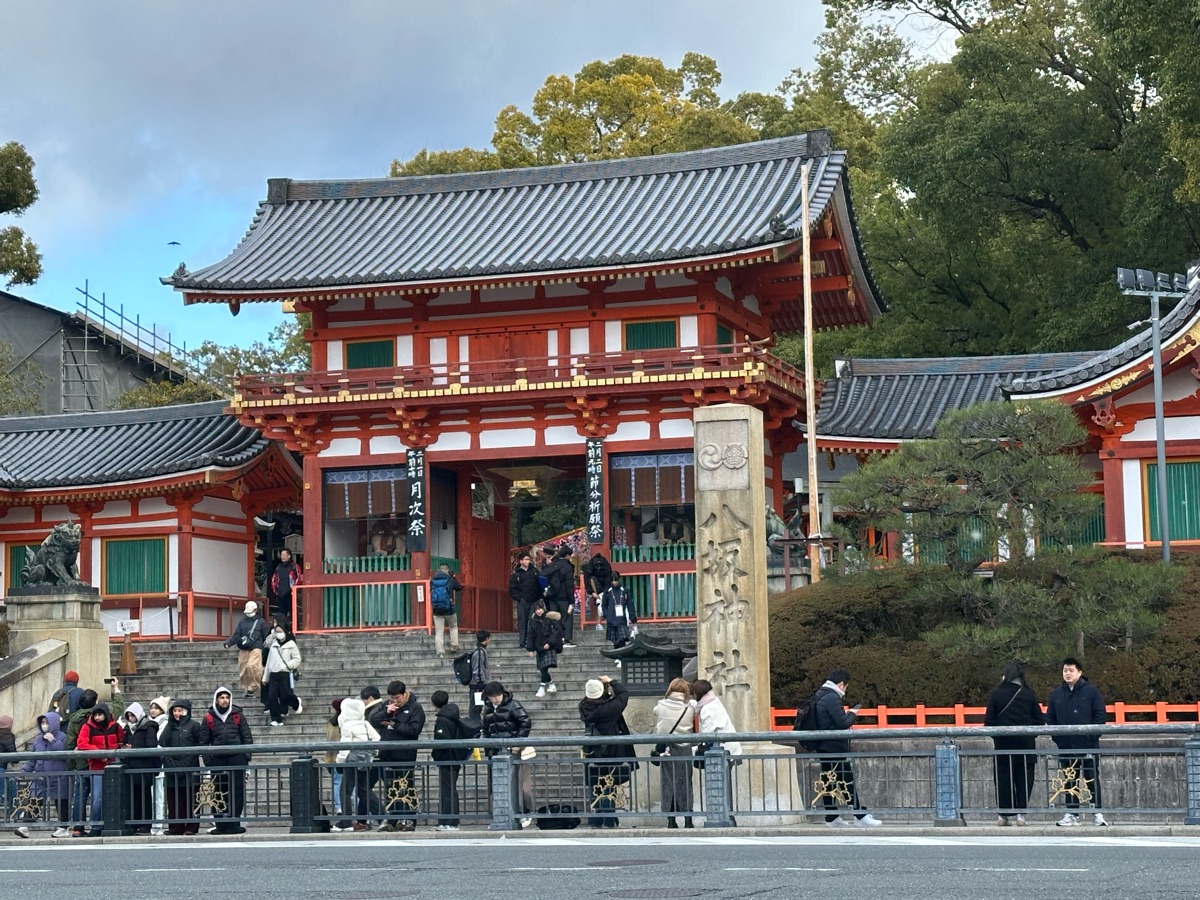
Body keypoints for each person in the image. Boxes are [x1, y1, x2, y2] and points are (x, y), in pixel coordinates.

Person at [808, 668, 880, 828]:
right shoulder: (832, 698)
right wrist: (852, 713)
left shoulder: (820, 694)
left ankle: (831, 817)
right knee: (847, 780)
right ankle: (860, 816)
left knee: (829, 782)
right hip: (834, 746)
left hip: (823, 746)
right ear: (841, 684)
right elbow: (843, 723)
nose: (845, 691)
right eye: (845, 687)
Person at [1047, 656, 1108, 827]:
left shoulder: (1091, 691)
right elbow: (1051, 719)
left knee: (1091, 778)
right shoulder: (1056, 694)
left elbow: (1100, 716)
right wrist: (1059, 739)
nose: (1067, 673)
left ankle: (1097, 812)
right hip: (1066, 745)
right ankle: (1072, 812)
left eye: (1071, 670)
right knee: (1069, 780)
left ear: (1079, 672)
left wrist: (1091, 736)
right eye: (1065, 670)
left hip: (1087, 743)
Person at [984, 661, 1045, 826]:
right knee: (1024, 780)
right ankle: (1021, 814)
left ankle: (1003, 815)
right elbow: (1040, 720)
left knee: (1003, 779)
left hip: (1003, 746)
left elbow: (989, 721)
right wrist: (1031, 734)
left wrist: (998, 736)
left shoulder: (996, 694)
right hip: (1025, 745)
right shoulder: (1028, 694)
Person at [579, 676, 637, 828]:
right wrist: (611, 681)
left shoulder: (584, 706)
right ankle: (609, 819)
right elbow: (623, 694)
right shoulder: (608, 709)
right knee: (608, 784)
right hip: (612, 750)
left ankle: (596, 819)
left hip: (593, 751)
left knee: (596, 784)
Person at [369, 679, 425, 832]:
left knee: (407, 788)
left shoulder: (415, 707)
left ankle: (409, 819)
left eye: (397, 698)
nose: (394, 701)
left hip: (405, 755)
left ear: (404, 694)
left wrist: (396, 725)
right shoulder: (387, 705)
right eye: (392, 698)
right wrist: (386, 712)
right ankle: (393, 819)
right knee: (391, 788)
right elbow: (373, 720)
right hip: (387, 753)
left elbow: (414, 729)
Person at [480, 680, 533, 828]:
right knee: (496, 785)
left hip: (514, 751)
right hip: (495, 751)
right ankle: (500, 815)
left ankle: (524, 812)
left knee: (520, 783)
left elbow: (525, 722)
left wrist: (517, 743)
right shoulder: (489, 708)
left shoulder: (513, 705)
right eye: (493, 697)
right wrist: (488, 748)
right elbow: (486, 728)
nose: (496, 699)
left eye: (498, 696)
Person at [202, 686, 253, 834]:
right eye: (221, 698)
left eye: (227, 697)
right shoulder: (209, 718)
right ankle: (220, 824)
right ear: (216, 700)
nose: (224, 700)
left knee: (236, 792)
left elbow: (246, 736)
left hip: (237, 760)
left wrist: (246, 757)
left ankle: (234, 823)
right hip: (218, 761)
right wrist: (208, 761)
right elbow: (204, 741)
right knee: (218, 792)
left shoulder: (238, 715)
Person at [431, 689, 481, 831]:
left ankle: (449, 821)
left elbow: (441, 741)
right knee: (449, 788)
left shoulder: (442, 719)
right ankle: (447, 820)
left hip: (447, 758)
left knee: (448, 790)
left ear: (433, 703)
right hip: (455, 757)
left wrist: (436, 755)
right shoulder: (452, 716)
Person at [333, 696, 382, 832]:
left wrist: (340, 762)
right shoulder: (365, 723)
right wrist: (371, 752)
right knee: (364, 790)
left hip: (352, 760)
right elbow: (377, 738)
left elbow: (345, 747)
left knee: (345, 790)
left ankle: (346, 821)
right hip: (365, 760)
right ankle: (383, 817)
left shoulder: (347, 725)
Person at [159, 699, 207, 835]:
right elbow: (162, 743)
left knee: (191, 799)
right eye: (174, 711)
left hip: (190, 769)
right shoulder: (169, 726)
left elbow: (200, 745)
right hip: (172, 769)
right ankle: (175, 827)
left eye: (180, 710)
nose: (177, 713)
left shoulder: (194, 725)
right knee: (174, 800)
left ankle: (191, 826)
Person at [75, 703, 123, 836]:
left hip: (113, 767)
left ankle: (111, 824)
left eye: (100, 715)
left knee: (113, 797)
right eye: (95, 715)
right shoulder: (87, 727)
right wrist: (100, 753)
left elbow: (121, 740)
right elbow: (82, 744)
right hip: (97, 767)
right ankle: (96, 826)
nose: (97, 718)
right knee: (97, 798)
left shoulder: (115, 726)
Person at [19, 711, 69, 838]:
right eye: (42, 722)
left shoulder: (62, 736)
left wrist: (54, 741)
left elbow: (65, 752)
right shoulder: (38, 740)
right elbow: (33, 759)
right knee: (35, 799)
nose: (44, 725)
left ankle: (63, 827)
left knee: (60, 801)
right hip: (41, 775)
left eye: (46, 722)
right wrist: (25, 771)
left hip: (58, 776)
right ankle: (25, 825)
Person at [653, 678, 695, 829]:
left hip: (667, 749)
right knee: (685, 783)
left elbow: (656, 712)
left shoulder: (660, 705)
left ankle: (671, 820)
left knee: (668, 783)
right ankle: (688, 819)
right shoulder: (690, 707)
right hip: (685, 748)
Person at [121, 702, 162, 835]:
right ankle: (134, 824)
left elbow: (151, 746)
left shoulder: (148, 727)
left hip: (144, 768)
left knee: (144, 798)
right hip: (131, 768)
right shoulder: (128, 729)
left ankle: (145, 825)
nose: (130, 718)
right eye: (128, 716)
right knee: (133, 798)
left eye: (132, 715)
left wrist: (133, 748)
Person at [223, 601, 268, 698]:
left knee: (252, 666)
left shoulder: (261, 622)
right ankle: (247, 688)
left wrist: (265, 648)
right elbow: (237, 635)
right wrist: (228, 643)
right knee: (243, 668)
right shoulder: (242, 622)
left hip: (256, 647)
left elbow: (266, 636)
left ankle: (253, 686)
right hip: (244, 648)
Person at [262, 619, 302, 726]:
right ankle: (276, 719)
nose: (279, 633)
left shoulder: (291, 644)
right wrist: (265, 677)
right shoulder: (274, 645)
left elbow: (297, 659)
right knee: (272, 696)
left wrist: (288, 665)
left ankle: (296, 703)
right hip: (273, 674)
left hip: (284, 673)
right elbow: (269, 662)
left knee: (286, 694)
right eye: (277, 631)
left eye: (280, 631)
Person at [525, 600, 564, 697]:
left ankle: (542, 687)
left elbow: (557, 632)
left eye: (540, 609)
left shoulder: (550, 618)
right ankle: (551, 684)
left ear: (544, 609)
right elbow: (531, 636)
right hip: (540, 647)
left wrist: (549, 643)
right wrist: (530, 649)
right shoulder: (533, 621)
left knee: (544, 667)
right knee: (543, 669)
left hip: (550, 647)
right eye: (536, 609)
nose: (538, 611)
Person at [543, 544, 577, 648]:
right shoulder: (567, 567)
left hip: (552, 596)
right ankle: (566, 639)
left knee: (554, 618)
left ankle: (556, 639)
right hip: (564, 597)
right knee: (567, 618)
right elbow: (569, 584)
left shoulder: (552, 564)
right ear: (567, 555)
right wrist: (572, 600)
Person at [148, 697, 172, 836]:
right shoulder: (149, 723)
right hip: (152, 763)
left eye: (156, 707)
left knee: (159, 796)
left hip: (161, 763)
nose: (153, 710)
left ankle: (159, 824)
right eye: (152, 707)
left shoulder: (165, 724)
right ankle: (154, 824)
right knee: (154, 796)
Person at [429, 563, 464, 657]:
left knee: (439, 632)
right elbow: (459, 587)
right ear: (447, 570)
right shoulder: (449, 579)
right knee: (453, 626)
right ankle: (454, 645)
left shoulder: (432, 580)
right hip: (449, 609)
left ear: (439, 570)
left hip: (437, 610)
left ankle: (440, 652)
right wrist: (453, 577)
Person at [509, 552, 541, 649]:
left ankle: (533, 641)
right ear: (521, 561)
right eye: (526, 559)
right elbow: (512, 589)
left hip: (534, 600)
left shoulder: (535, 571)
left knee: (534, 620)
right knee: (522, 621)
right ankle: (522, 642)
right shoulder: (516, 575)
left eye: (528, 559)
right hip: (522, 600)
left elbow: (540, 584)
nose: (527, 561)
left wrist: (539, 597)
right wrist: (519, 598)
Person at [600, 572, 637, 653]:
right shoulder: (608, 591)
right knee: (614, 640)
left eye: (615, 580)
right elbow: (604, 605)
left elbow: (630, 605)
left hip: (622, 618)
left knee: (622, 638)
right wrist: (606, 615)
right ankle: (617, 655)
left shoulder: (625, 590)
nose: (614, 582)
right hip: (611, 618)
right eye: (612, 581)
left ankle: (621, 656)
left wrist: (632, 618)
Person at [582, 551, 613, 626]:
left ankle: (603, 621)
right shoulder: (590, 567)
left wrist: (604, 592)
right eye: (597, 566)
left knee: (603, 602)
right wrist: (592, 592)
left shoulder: (606, 567)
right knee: (591, 580)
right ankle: (599, 623)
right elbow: (586, 580)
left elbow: (608, 580)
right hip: (594, 585)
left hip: (605, 586)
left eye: (600, 565)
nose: (599, 567)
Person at [269, 548, 302, 617]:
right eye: (281, 555)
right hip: (280, 594)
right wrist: (276, 590)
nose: (282, 557)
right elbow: (274, 579)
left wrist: (293, 589)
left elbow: (298, 578)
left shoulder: (294, 566)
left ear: (289, 556)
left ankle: (294, 627)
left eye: (284, 555)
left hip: (291, 593)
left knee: (293, 613)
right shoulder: (278, 567)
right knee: (281, 614)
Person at [468, 630, 491, 720]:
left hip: (477, 683)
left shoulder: (479, 650)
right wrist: (480, 681)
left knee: (478, 706)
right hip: (477, 684)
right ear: (486, 639)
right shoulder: (479, 652)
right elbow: (478, 668)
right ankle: (475, 725)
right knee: (475, 707)